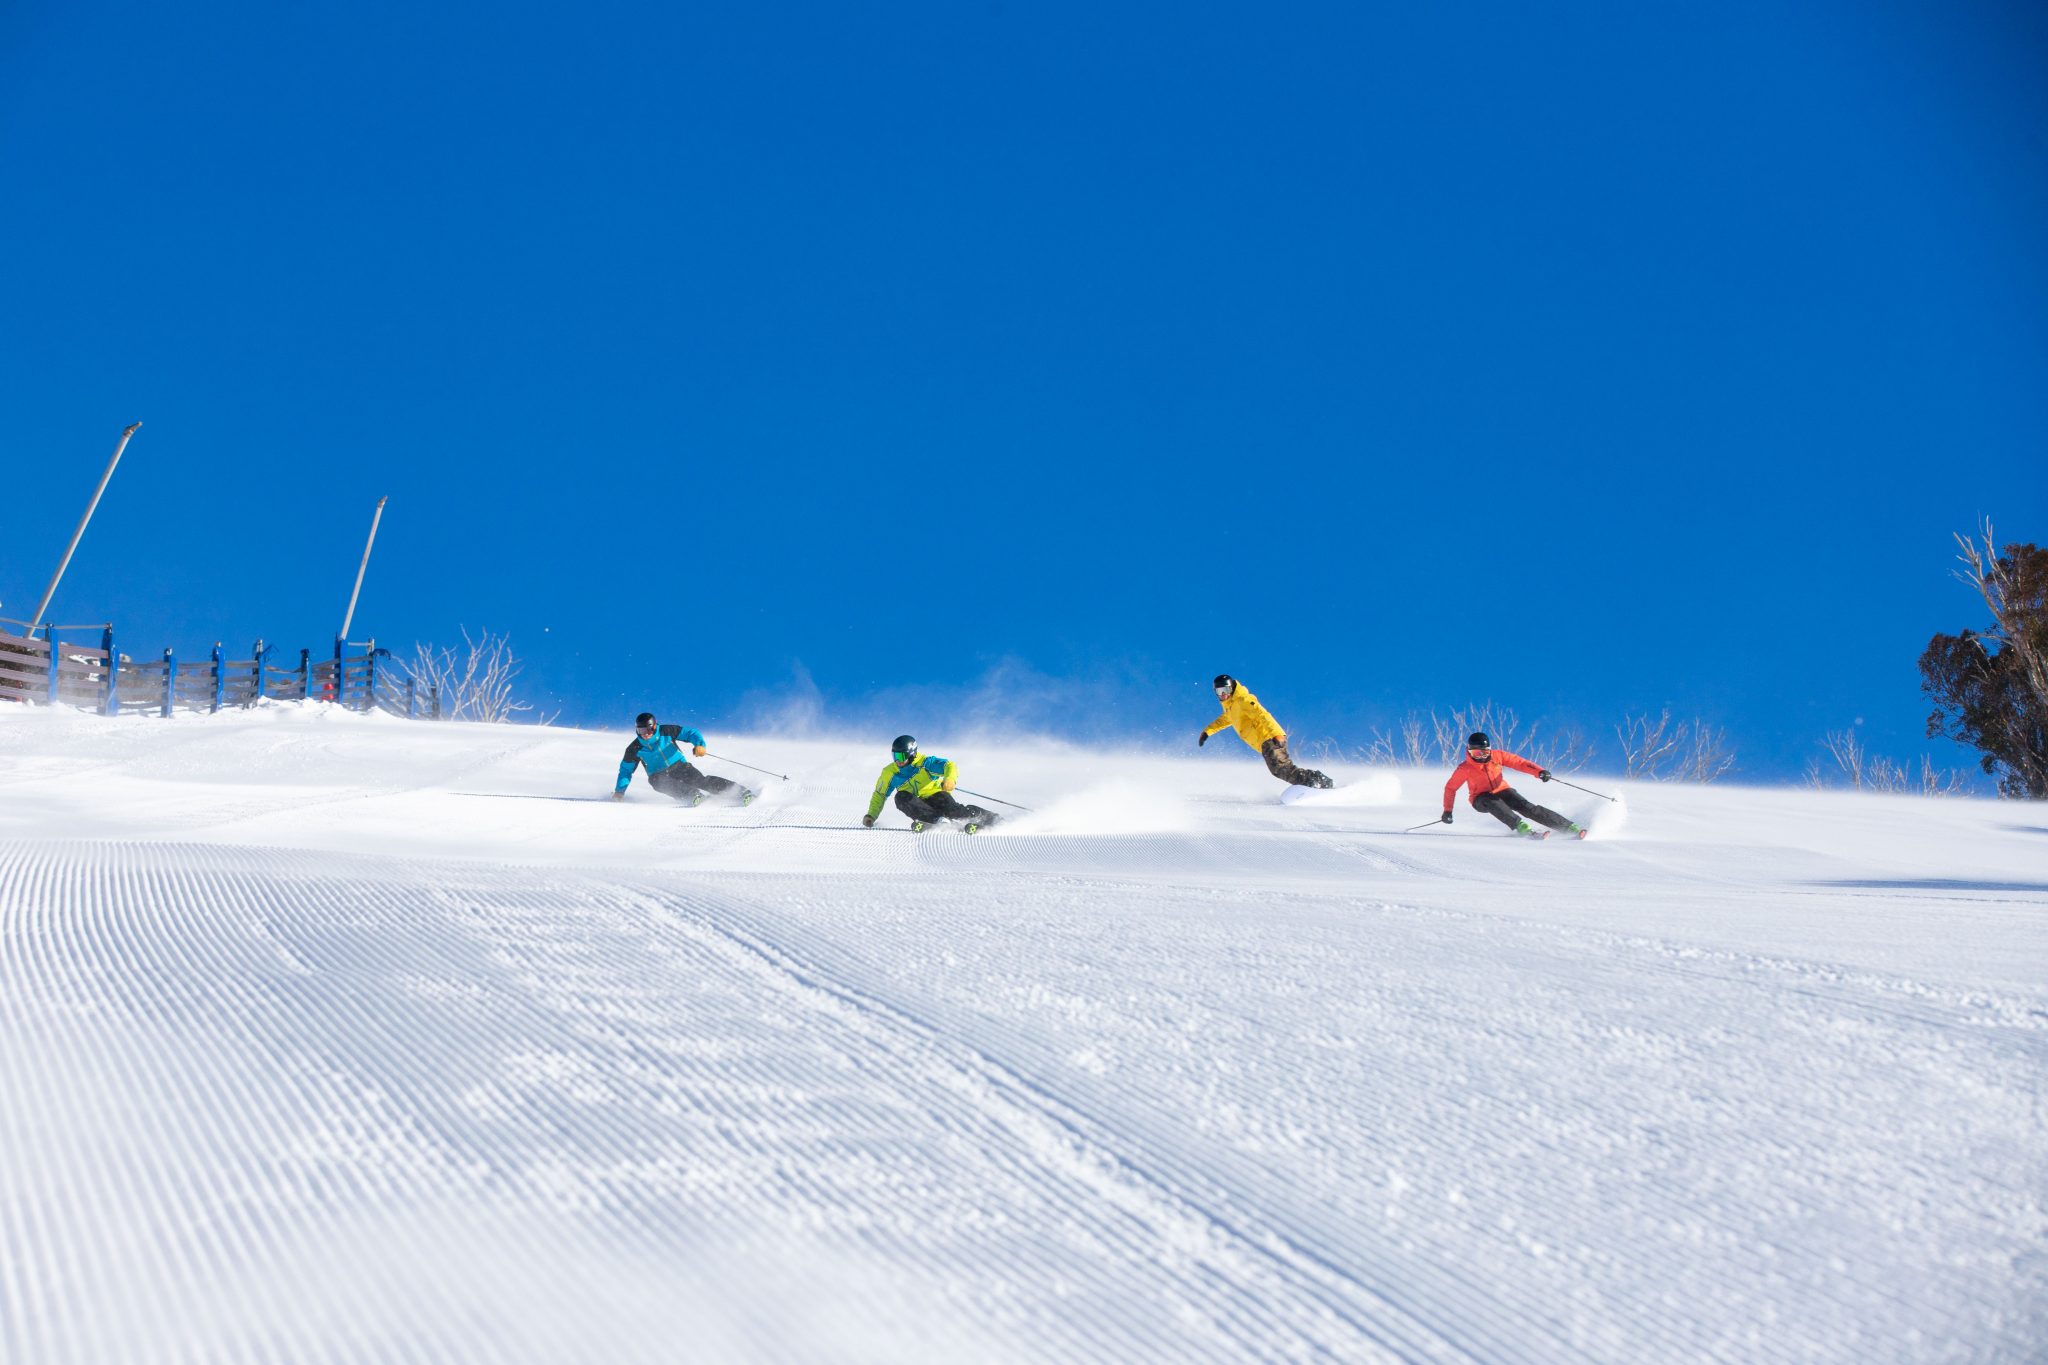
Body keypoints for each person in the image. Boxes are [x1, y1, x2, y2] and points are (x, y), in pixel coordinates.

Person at [1198, 674, 1333, 789]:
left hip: (1270, 737)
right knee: (1280, 770)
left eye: (1225, 690)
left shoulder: (1243, 700)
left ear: (1232, 688)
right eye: (1219, 691)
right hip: (1264, 742)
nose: (1223, 695)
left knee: (1281, 769)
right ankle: (1314, 782)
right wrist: (1207, 732)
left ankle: (1317, 783)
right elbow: (1225, 720)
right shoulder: (1231, 707)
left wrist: (1275, 733)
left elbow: (1262, 714)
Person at [1440, 731, 1584, 838]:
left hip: (1502, 789)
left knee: (1527, 808)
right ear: (1469, 751)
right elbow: (1450, 788)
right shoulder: (1465, 768)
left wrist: (1539, 772)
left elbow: (1519, 763)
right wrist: (1447, 811)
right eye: (1477, 753)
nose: (1482, 756)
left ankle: (1570, 827)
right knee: (1493, 802)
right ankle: (1522, 828)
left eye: (1484, 752)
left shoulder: (1498, 756)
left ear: (1490, 749)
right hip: (1480, 799)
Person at [861, 734, 1000, 832]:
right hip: (916, 803)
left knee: (956, 811)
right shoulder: (889, 772)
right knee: (901, 797)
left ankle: (991, 819)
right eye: (895, 756)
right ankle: (938, 821)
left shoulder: (926, 763)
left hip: (936, 796)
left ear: (912, 753)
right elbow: (880, 794)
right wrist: (871, 815)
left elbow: (949, 765)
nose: (898, 760)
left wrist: (949, 779)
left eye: (901, 756)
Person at [613, 711, 753, 805]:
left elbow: (691, 733)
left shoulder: (666, 731)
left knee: (700, 781)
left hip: (679, 765)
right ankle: (693, 796)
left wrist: (699, 745)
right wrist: (619, 792)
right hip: (657, 774)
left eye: (648, 730)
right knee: (658, 782)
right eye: (641, 731)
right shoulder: (634, 748)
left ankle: (741, 793)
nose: (645, 734)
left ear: (654, 726)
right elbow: (625, 771)